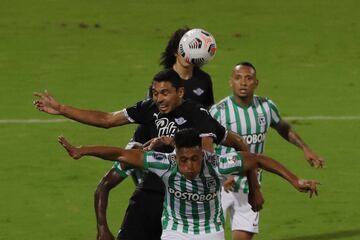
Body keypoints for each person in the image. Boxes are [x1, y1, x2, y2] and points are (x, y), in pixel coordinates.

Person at [33, 68, 255, 240]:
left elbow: (214, 151)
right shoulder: (149, 109)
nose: (158, 99)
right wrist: (62, 109)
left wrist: (254, 188)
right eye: (155, 93)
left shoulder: (198, 115)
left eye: (165, 93)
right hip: (151, 193)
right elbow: (108, 120)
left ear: (180, 92)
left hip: (184, 203)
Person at [57, 128, 319, 240]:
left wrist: (295, 180)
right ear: (177, 155)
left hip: (210, 232)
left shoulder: (218, 163)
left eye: (195, 159)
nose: (190, 166)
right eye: (184, 160)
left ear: (202, 153)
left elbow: (259, 160)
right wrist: (83, 150)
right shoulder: (164, 163)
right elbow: (120, 154)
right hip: (175, 232)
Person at [96, 26, 216, 240]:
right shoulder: (162, 83)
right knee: (142, 181)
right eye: (184, 49)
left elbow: (208, 122)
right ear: (175, 51)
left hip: (183, 149)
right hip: (153, 146)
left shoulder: (204, 81)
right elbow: (146, 118)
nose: (188, 55)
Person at [209, 62, 325, 240]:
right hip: (220, 187)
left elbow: (283, 128)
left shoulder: (266, 107)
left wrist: (305, 148)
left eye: (249, 78)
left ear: (256, 83)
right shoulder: (219, 112)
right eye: (238, 78)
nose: (243, 83)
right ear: (230, 82)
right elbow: (207, 146)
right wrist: (224, 174)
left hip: (251, 186)